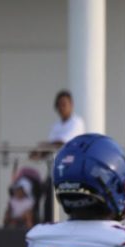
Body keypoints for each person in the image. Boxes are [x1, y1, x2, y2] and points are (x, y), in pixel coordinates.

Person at [31, 90, 87, 221]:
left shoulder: (77, 122)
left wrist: (43, 146)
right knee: (47, 199)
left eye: (64, 104)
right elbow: (51, 146)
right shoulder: (56, 125)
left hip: (72, 170)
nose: (62, 108)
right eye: (59, 105)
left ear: (71, 105)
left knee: (72, 200)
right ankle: (48, 225)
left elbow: (63, 143)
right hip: (55, 169)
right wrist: (38, 152)